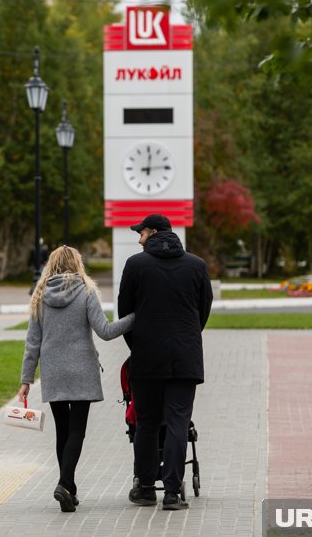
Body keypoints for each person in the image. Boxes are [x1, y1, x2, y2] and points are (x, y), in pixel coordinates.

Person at [18, 246, 135, 513]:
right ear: (77, 263)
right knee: (77, 430)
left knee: (62, 430)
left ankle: (68, 489)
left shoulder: (40, 295)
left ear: (52, 265)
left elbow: (32, 343)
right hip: (81, 369)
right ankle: (64, 484)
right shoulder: (86, 291)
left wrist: (26, 379)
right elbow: (105, 331)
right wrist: (135, 318)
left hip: (53, 371)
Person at [118, 214, 213, 510]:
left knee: (146, 423)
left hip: (146, 358)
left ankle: (146, 488)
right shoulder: (196, 265)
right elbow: (203, 310)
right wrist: (186, 337)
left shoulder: (136, 265)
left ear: (155, 232)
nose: (139, 238)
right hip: (185, 358)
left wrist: (140, 345)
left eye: (142, 233)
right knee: (177, 423)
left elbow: (126, 313)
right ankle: (172, 493)